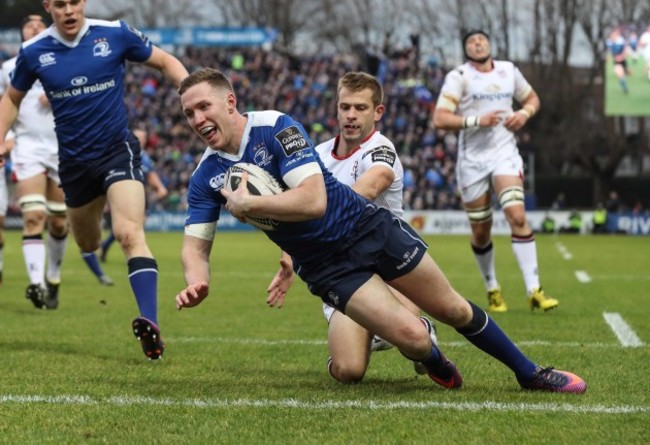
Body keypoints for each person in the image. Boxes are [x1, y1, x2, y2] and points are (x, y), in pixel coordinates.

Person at [174, 67, 586, 393]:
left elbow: (314, 201)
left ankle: (530, 373)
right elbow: (196, 248)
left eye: (202, 107)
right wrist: (197, 282)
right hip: (327, 267)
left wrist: (252, 204)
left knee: (455, 309)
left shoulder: (276, 126)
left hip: (366, 228)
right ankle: (432, 357)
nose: (197, 119)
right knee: (409, 342)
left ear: (229, 101)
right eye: (189, 113)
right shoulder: (206, 175)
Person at [0, 0, 188, 359]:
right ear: (48, 7)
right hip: (72, 164)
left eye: (74, 2)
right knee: (87, 241)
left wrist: (191, 92)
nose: (69, 10)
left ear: (83, 2)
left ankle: (150, 323)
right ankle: (84, 250)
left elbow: (164, 61)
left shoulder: (115, 33)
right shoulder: (34, 51)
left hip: (117, 151)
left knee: (129, 233)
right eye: (60, 4)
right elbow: (11, 98)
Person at [309, 71, 435, 382]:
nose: (351, 115)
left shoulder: (381, 150)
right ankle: (367, 334)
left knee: (413, 340)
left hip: (390, 267)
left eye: (361, 108)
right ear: (336, 108)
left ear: (377, 111)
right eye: (345, 107)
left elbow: (368, 186)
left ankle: (419, 331)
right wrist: (287, 259)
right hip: (342, 273)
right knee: (347, 371)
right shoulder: (318, 155)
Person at [432, 30, 558, 313]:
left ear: (489, 44)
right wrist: (477, 120)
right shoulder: (459, 76)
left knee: (517, 215)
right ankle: (492, 288)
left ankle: (534, 290)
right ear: (466, 49)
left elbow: (532, 99)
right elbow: (440, 118)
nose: (477, 43)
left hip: (504, 155)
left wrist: (524, 114)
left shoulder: (508, 71)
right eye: (471, 42)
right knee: (481, 231)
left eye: (481, 40)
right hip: (472, 161)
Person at [0, 14, 71, 308]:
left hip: (62, 146)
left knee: (58, 221)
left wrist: (58, 96)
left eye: (40, 24)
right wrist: (6, 137)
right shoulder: (7, 68)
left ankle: (53, 275)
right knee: (33, 216)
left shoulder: (66, 62)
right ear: (21, 32)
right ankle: (37, 285)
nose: (34, 26)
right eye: (28, 24)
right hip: (27, 146)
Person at [99, 128, 168, 263]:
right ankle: (134, 255)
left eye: (143, 137)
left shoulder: (144, 157)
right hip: (129, 194)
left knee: (130, 227)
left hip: (141, 194)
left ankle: (119, 250)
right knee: (131, 227)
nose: (141, 139)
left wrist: (159, 188)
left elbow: (152, 177)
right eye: (138, 136)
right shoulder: (126, 154)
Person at [606, 28, 630, 94]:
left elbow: (625, 49)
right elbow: (609, 51)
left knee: (624, 73)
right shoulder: (609, 42)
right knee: (619, 73)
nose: (613, 36)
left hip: (622, 60)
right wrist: (609, 57)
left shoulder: (620, 41)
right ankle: (624, 87)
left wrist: (622, 56)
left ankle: (624, 80)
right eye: (612, 35)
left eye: (615, 35)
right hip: (616, 61)